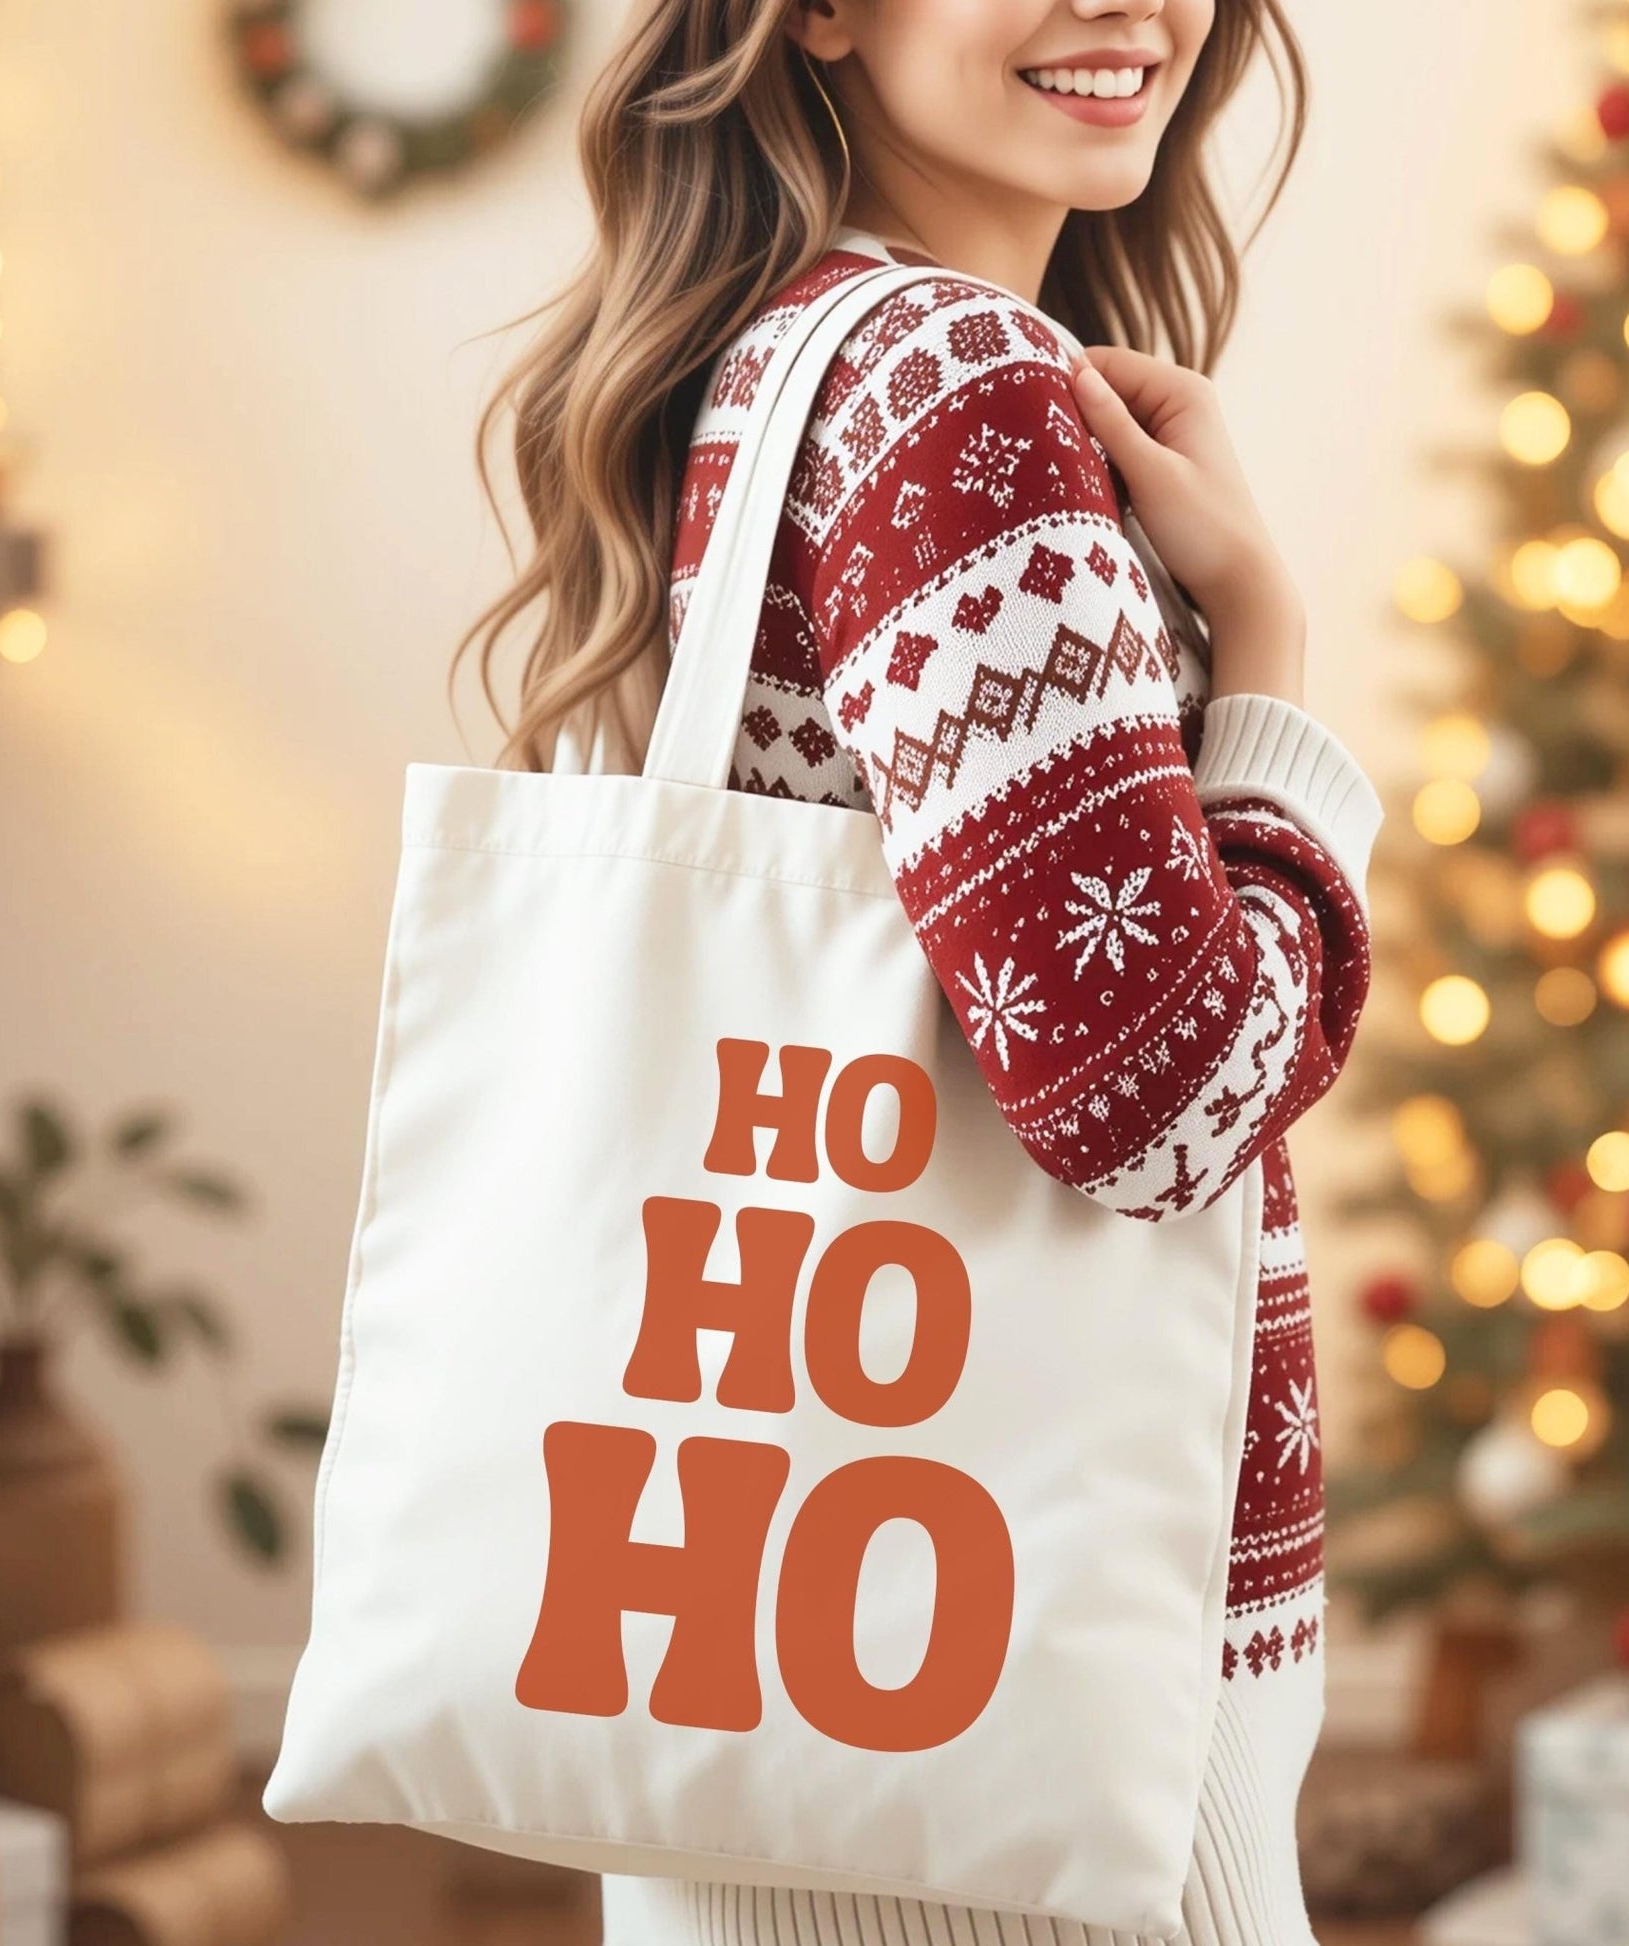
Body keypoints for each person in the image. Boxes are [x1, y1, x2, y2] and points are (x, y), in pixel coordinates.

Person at [461, 1, 1384, 1941]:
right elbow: (1158, 1099)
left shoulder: (773, 353)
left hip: (785, 1645)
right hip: (1042, 1720)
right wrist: (1273, 669)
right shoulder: (951, 377)